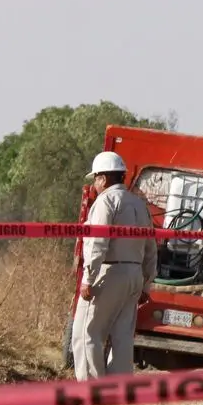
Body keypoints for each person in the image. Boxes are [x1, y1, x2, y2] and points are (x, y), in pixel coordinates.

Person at [72, 150, 157, 380]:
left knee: (87, 332)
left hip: (109, 273)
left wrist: (88, 279)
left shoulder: (105, 201)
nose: (95, 185)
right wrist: (146, 285)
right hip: (133, 275)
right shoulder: (139, 205)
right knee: (122, 336)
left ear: (103, 178)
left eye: (96, 179)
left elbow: (97, 243)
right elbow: (151, 247)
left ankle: (91, 388)